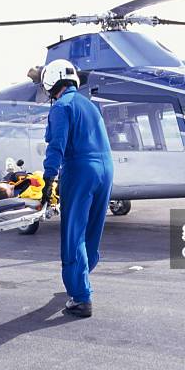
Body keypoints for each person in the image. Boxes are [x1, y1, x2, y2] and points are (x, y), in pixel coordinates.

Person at [40, 59, 114, 317]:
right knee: (93, 230)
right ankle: (81, 277)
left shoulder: (62, 106)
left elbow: (56, 145)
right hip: (106, 169)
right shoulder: (90, 106)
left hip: (81, 169)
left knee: (74, 234)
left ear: (51, 82)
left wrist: (49, 179)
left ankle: (81, 297)